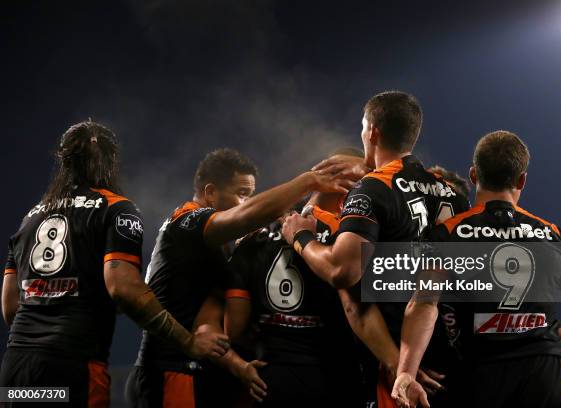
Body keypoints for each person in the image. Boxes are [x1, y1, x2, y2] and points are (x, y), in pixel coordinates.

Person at [0, 121, 225, 408]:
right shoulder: (118, 209)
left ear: (64, 161)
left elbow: (10, 307)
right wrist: (188, 342)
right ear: (110, 161)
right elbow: (124, 289)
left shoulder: (30, 218)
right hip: (73, 367)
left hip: (16, 369)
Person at [392, 131, 561, 408]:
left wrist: (406, 372)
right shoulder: (552, 234)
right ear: (522, 180)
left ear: (473, 175)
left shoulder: (447, 233)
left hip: (478, 376)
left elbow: (423, 305)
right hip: (543, 374)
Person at [282, 91, 469, 407]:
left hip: (397, 365)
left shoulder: (372, 188)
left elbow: (344, 273)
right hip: (454, 361)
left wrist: (301, 239)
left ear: (372, 132)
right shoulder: (453, 194)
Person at [126, 148, 353, 408]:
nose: (247, 203)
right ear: (210, 192)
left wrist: (239, 364)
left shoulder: (224, 242)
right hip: (171, 371)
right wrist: (308, 181)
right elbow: (226, 325)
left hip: (187, 371)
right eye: (242, 194)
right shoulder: (188, 221)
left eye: (250, 195)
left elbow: (219, 319)